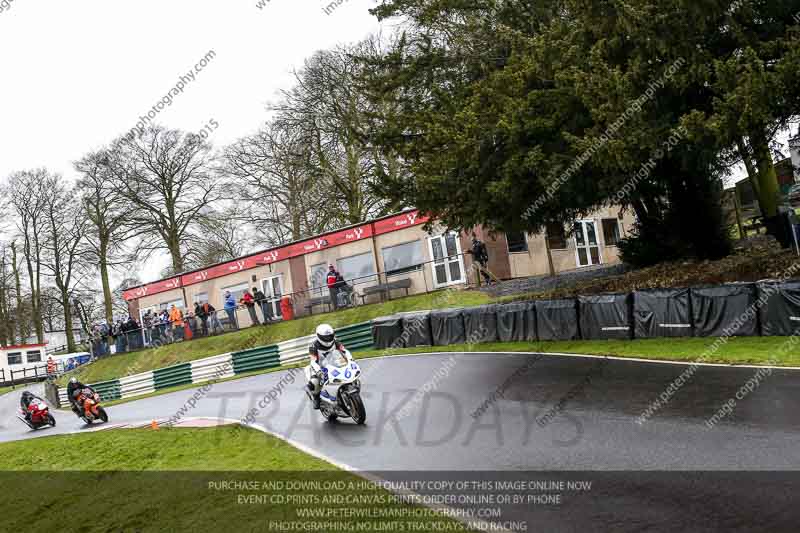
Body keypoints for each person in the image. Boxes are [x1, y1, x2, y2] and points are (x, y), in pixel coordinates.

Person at [306, 323, 345, 409]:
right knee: (314, 382)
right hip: (319, 366)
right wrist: (319, 371)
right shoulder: (313, 347)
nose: (328, 339)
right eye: (325, 337)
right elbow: (313, 361)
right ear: (319, 336)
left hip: (334, 363)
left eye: (329, 336)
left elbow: (344, 351)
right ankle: (316, 398)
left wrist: (349, 359)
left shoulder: (335, 341)